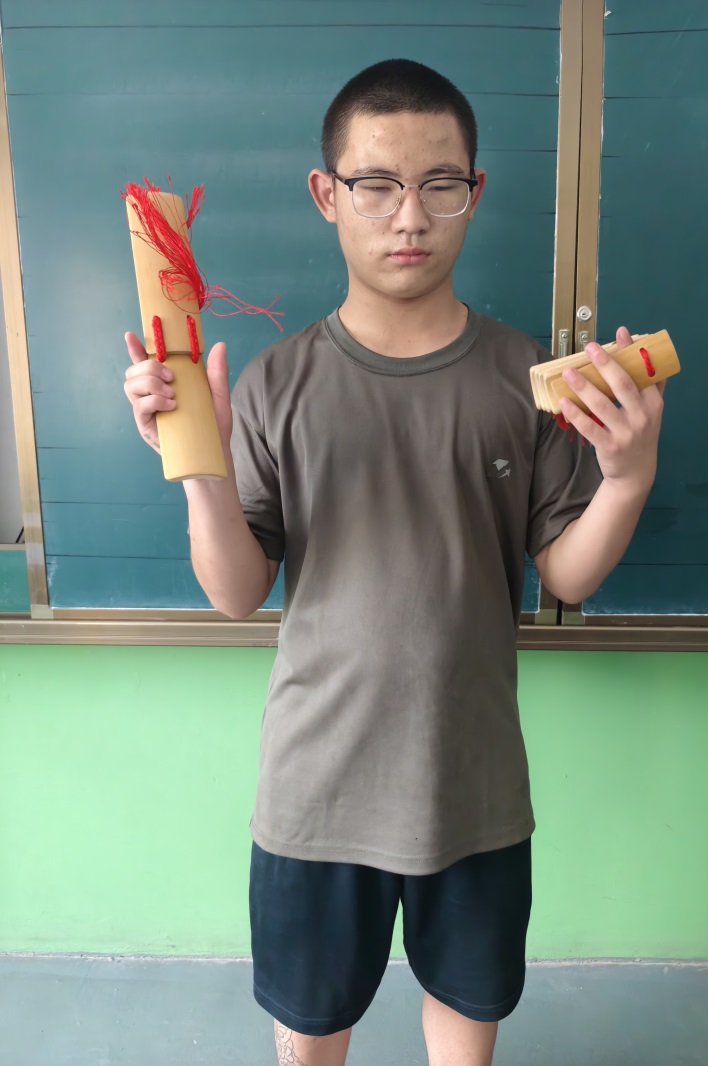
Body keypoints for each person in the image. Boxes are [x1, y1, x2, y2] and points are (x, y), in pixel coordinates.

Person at [123, 58, 664, 1066]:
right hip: (315, 794)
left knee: (464, 1015)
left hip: (472, 788)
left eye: (438, 183)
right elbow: (237, 593)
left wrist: (625, 479)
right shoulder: (276, 382)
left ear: (474, 192)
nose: (408, 216)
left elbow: (566, 576)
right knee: (311, 1027)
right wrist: (196, 467)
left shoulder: (525, 376)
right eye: (375, 184)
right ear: (326, 194)